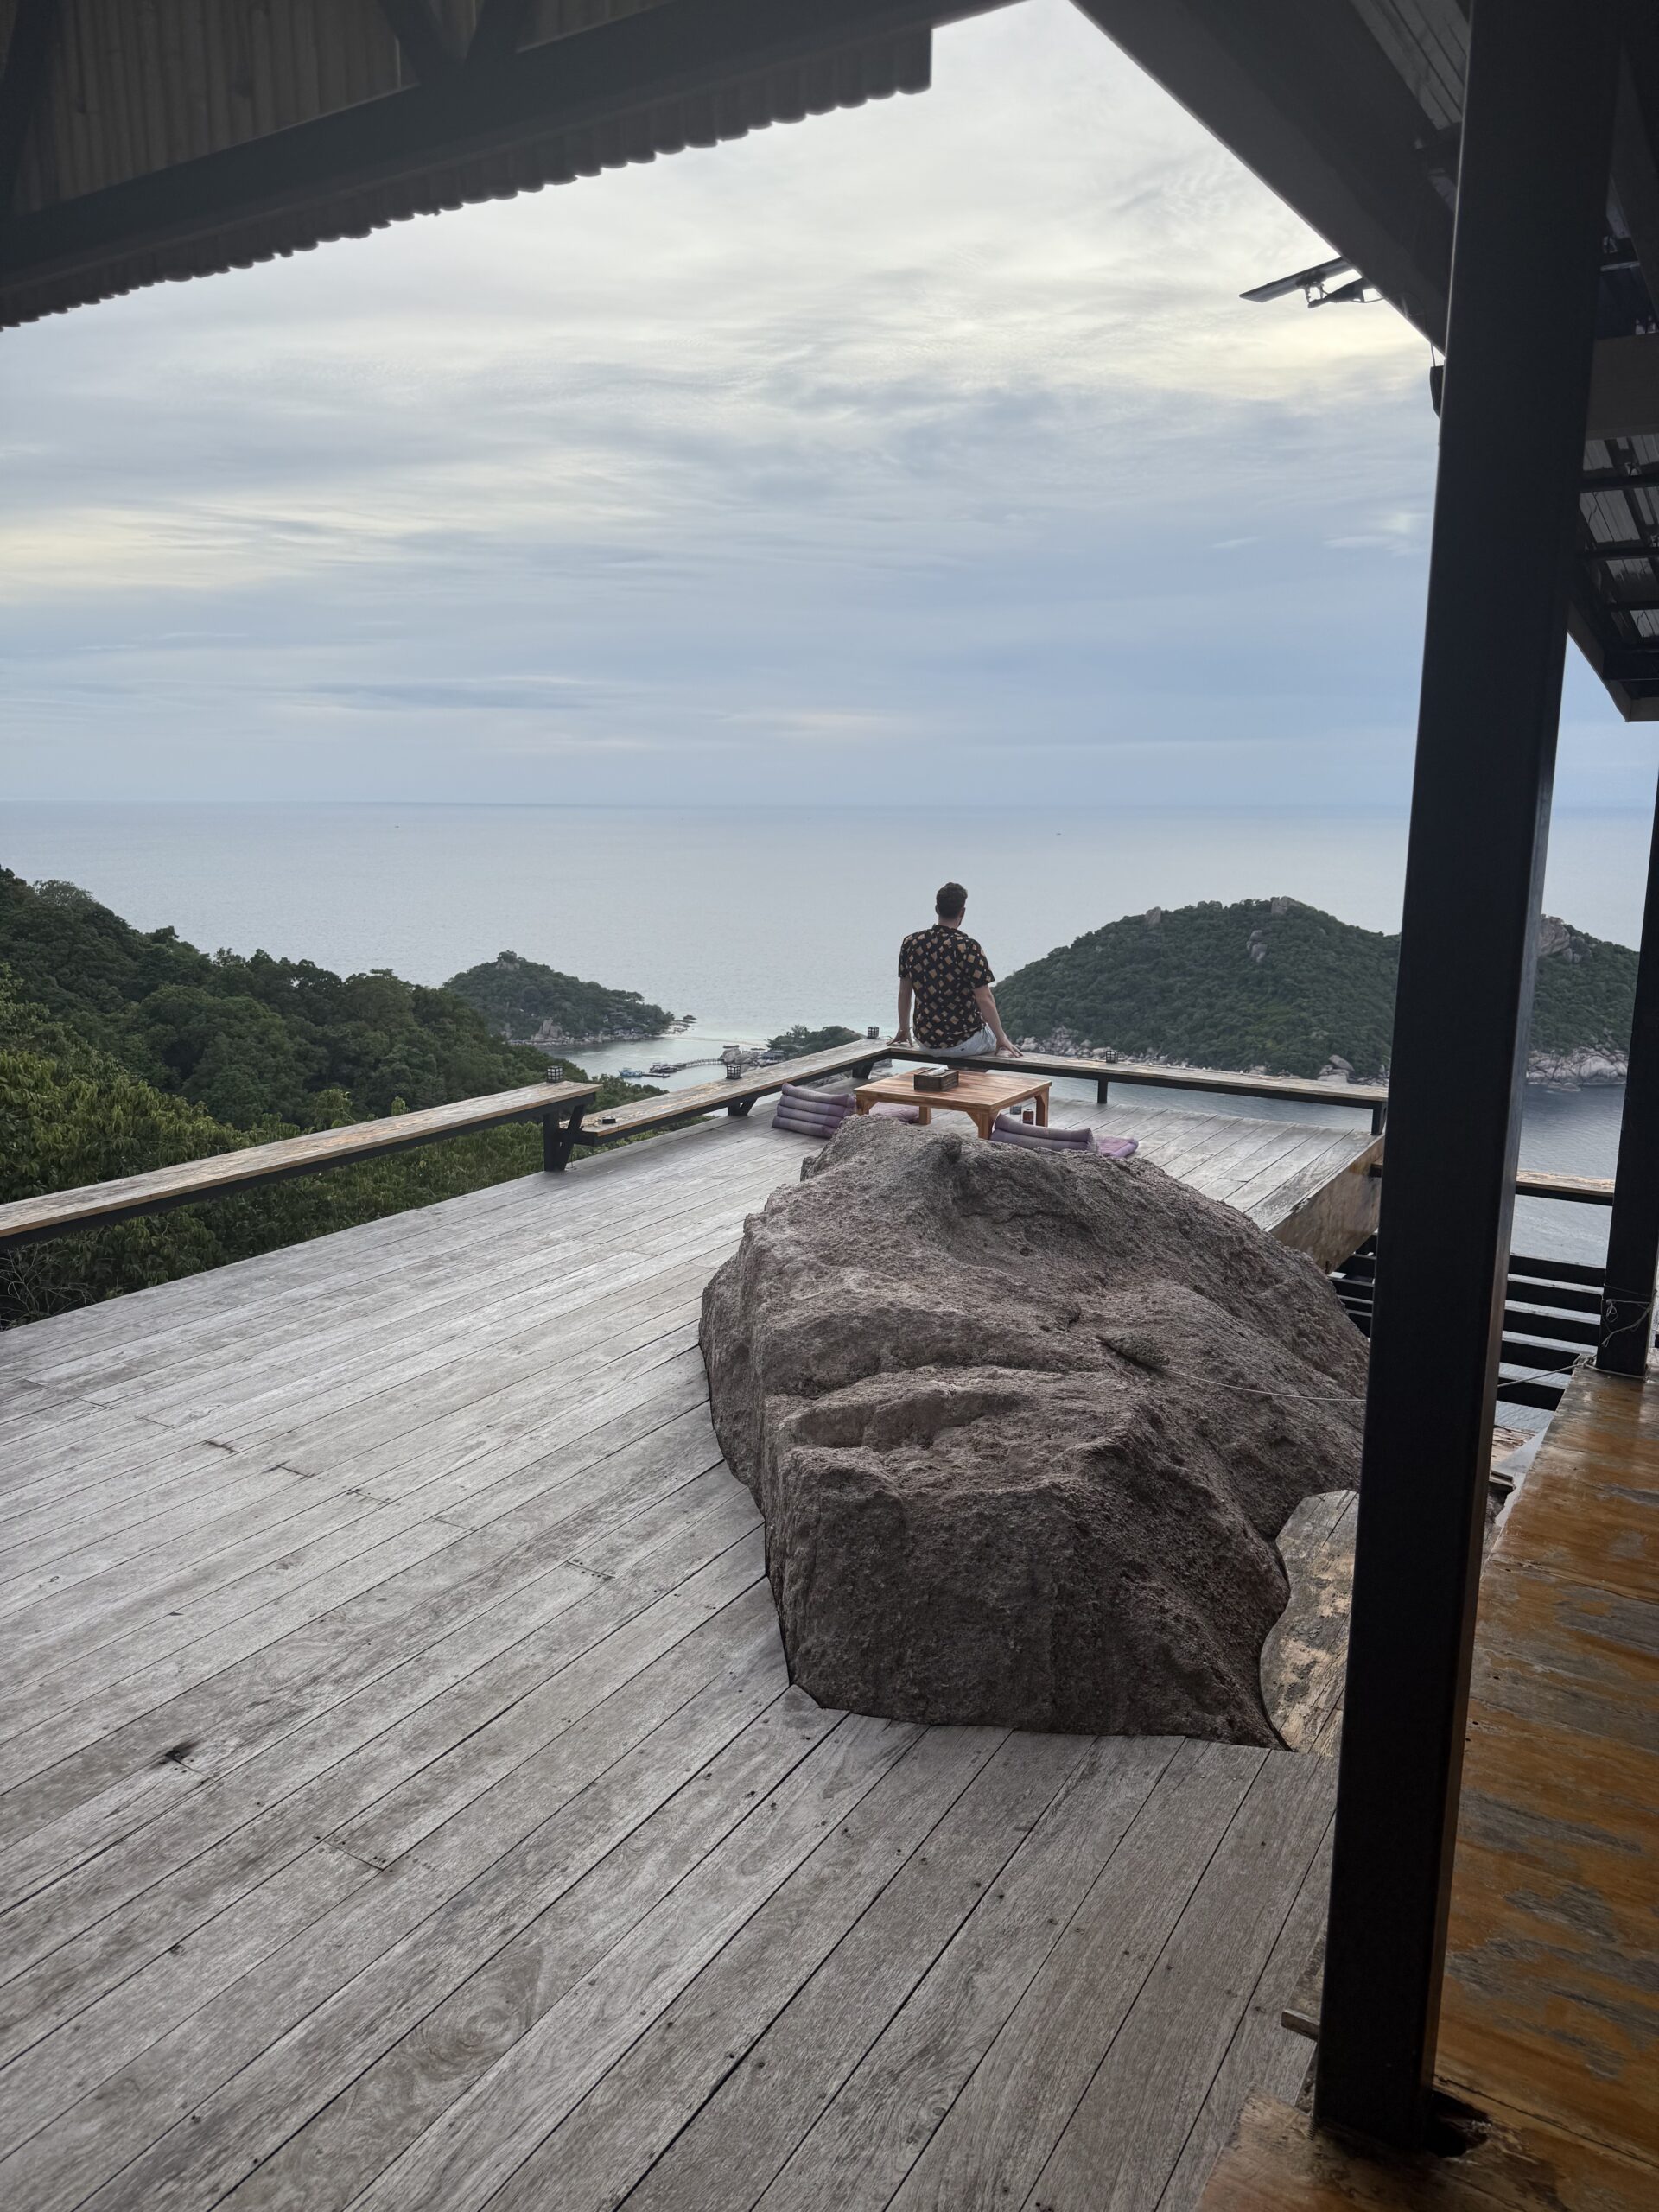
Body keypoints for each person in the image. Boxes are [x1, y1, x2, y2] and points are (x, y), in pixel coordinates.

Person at [893, 881, 1023, 1058]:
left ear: (936, 908)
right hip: (962, 1043)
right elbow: (984, 998)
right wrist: (1001, 1038)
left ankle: (956, 1077)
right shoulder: (967, 947)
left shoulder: (911, 942)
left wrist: (903, 1029)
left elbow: (904, 992)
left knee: (962, 1059)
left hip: (924, 1041)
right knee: (997, 1041)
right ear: (962, 912)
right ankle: (966, 1079)